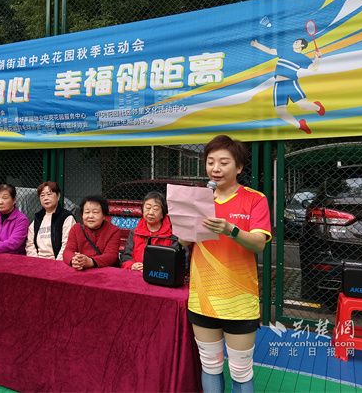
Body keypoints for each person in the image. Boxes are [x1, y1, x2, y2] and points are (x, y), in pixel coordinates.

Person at [181, 135, 271, 393]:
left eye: (223, 162)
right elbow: (184, 241)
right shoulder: (198, 199)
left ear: (239, 167)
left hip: (239, 302)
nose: (215, 169)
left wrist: (230, 229)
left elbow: (259, 244)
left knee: (241, 370)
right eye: (210, 162)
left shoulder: (255, 199)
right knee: (210, 365)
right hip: (202, 298)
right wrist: (185, 228)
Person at [250, 38, 325, 134]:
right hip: (278, 85)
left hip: (290, 83)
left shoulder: (302, 58)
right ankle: (300, 125)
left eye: (297, 42)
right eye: (295, 41)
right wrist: (256, 45)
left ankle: (318, 107)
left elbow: (313, 68)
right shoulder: (285, 51)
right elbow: (270, 50)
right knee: (280, 112)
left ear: (302, 46)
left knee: (304, 106)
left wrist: (317, 59)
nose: (294, 42)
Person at [62, 195, 121, 270]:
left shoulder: (113, 231)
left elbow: (111, 255)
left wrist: (90, 261)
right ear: (82, 215)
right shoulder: (76, 229)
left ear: (104, 215)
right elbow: (68, 251)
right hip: (81, 270)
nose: (90, 216)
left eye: (95, 212)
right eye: (87, 212)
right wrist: (74, 260)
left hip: (105, 272)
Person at [120, 191, 174, 271]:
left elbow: (176, 262)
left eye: (155, 209)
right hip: (135, 273)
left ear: (163, 213)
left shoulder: (172, 235)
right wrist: (131, 265)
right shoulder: (135, 232)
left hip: (160, 274)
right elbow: (126, 256)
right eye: (148, 208)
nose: (151, 212)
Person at [26, 181, 76, 260]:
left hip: (58, 261)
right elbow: (30, 244)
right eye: (42, 195)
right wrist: (35, 261)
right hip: (38, 261)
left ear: (58, 196)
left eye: (49, 194)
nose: (45, 198)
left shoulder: (66, 217)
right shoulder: (38, 218)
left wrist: (56, 263)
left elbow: (67, 244)